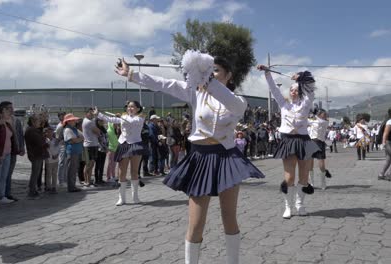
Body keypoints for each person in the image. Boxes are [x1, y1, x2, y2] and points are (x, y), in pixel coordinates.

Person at [117, 51, 265, 264]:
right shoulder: (195, 93)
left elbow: (230, 102)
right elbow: (164, 84)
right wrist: (132, 75)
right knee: (196, 223)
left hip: (226, 158)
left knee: (228, 217)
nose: (210, 74)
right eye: (208, 69)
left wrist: (207, 78)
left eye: (216, 70)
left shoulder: (238, 101)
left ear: (228, 75)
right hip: (199, 158)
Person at [257, 65, 319, 219]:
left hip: (304, 141)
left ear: (301, 91)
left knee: (304, 177)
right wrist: (267, 72)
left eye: (297, 89)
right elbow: (273, 88)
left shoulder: (306, 102)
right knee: (289, 177)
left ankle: (300, 204)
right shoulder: (284, 104)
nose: (294, 91)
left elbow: (311, 86)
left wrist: (302, 76)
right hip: (288, 141)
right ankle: (288, 206)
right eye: (291, 89)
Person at [94, 101, 147, 206]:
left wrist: (123, 117)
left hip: (136, 144)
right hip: (123, 144)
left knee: (134, 171)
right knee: (122, 172)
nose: (130, 108)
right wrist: (98, 114)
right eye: (128, 107)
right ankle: (121, 198)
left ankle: (135, 197)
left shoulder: (140, 117)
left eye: (132, 107)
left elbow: (132, 122)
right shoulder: (123, 117)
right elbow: (109, 119)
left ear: (137, 109)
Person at [0, 101, 25, 202]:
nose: (12, 109)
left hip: (13, 150)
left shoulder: (16, 120)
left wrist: (21, 148)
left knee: (8, 173)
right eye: (10, 108)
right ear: (3, 109)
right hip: (1, 151)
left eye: (12, 107)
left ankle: (7, 194)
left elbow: (20, 135)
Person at [25, 115, 47, 199]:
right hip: (36, 154)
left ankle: (33, 190)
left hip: (37, 154)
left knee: (36, 173)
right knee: (35, 174)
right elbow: (40, 142)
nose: (39, 122)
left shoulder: (33, 130)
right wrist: (45, 139)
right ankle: (32, 192)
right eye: (38, 121)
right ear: (33, 122)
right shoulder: (31, 130)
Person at [308, 109, 332, 190]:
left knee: (320, 164)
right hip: (315, 141)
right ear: (319, 114)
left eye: (325, 114)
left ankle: (319, 182)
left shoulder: (321, 121)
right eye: (323, 114)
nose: (325, 115)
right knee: (311, 163)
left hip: (316, 141)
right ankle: (316, 183)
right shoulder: (322, 121)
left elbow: (306, 120)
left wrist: (312, 115)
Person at [63, 114, 84, 192]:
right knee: (71, 169)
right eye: (73, 120)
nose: (75, 121)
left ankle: (73, 185)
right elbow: (73, 140)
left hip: (76, 151)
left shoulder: (73, 129)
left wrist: (79, 139)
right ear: (68, 122)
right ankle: (71, 187)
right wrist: (79, 139)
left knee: (74, 169)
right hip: (72, 152)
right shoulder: (68, 130)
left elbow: (82, 137)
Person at [82, 108, 100, 186]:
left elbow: (97, 131)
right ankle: (86, 181)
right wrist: (97, 132)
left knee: (91, 164)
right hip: (89, 145)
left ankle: (88, 180)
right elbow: (98, 131)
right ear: (86, 114)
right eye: (90, 113)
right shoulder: (88, 122)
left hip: (93, 144)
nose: (92, 114)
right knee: (88, 164)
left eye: (92, 112)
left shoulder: (90, 121)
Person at [44, 127, 59, 194]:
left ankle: (54, 187)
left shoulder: (55, 140)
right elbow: (47, 150)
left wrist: (56, 155)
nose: (50, 133)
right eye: (48, 132)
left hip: (56, 159)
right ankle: (48, 187)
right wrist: (52, 155)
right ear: (46, 133)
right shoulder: (45, 140)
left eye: (51, 132)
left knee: (54, 174)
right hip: (49, 159)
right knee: (48, 174)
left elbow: (58, 148)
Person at [55, 112, 67, 186]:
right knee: (61, 163)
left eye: (64, 116)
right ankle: (61, 180)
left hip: (66, 145)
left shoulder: (65, 125)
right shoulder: (60, 126)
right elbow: (57, 138)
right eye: (62, 116)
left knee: (65, 163)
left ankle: (65, 179)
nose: (63, 117)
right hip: (62, 146)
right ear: (59, 117)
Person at [94, 118, 108, 184]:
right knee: (97, 165)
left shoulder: (103, 128)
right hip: (99, 149)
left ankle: (100, 178)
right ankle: (96, 179)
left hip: (104, 149)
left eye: (102, 120)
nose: (102, 122)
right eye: (101, 121)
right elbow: (98, 139)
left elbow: (106, 138)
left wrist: (106, 147)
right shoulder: (96, 128)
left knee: (102, 165)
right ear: (97, 121)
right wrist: (104, 147)